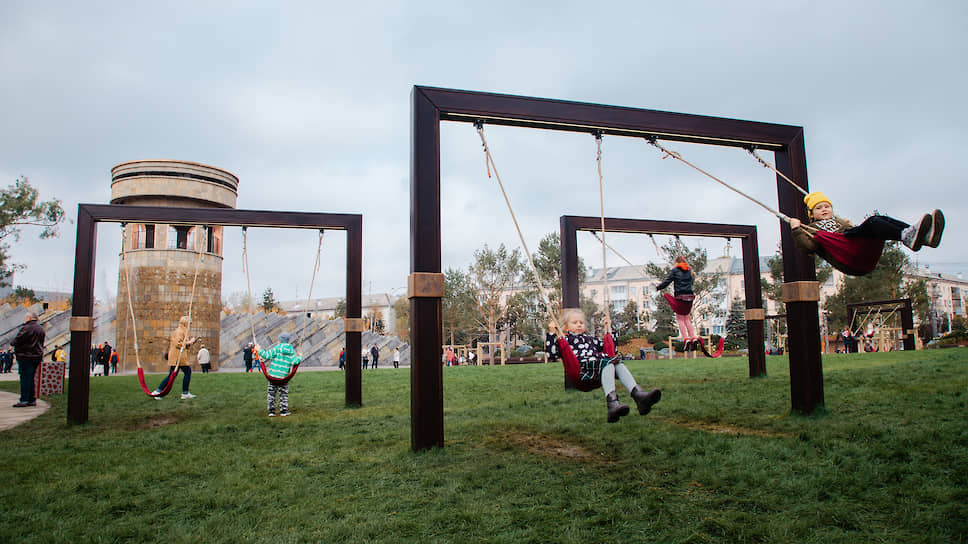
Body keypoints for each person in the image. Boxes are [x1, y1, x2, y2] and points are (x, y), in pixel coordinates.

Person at [545, 309, 660, 423]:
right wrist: (551, 333)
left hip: (599, 368)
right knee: (608, 362)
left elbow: (611, 349)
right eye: (574, 323)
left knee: (617, 363)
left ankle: (639, 396)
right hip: (583, 371)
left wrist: (609, 329)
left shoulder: (590, 340)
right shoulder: (565, 341)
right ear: (566, 327)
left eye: (581, 322)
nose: (579, 325)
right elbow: (551, 354)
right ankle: (612, 404)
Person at [790, 192, 943, 275]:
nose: (824, 210)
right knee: (873, 222)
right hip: (848, 256)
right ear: (811, 214)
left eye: (827, 207)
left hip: (854, 244)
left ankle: (921, 237)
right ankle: (909, 236)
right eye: (818, 208)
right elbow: (808, 247)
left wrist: (849, 225)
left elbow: (853, 232)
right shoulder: (811, 228)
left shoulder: (839, 221)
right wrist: (796, 229)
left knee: (879, 220)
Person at [656, 256, 699, 350]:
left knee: (680, 319)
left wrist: (659, 287)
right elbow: (691, 283)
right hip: (689, 298)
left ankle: (686, 339)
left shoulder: (675, 271)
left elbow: (667, 281)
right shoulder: (689, 271)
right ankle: (693, 338)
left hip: (680, 297)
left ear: (676, 262)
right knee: (687, 319)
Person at [152, 316, 197, 400]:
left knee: (173, 375)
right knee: (183, 373)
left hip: (179, 357)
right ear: (185, 323)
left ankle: (159, 391)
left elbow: (183, 344)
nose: (190, 325)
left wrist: (190, 343)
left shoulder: (182, 331)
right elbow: (178, 344)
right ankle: (159, 392)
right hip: (178, 357)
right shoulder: (180, 331)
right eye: (189, 323)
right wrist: (190, 342)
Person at [257, 332, 301, 417]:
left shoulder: (277, 348)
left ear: (279, 340)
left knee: (271, 393)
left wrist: (259, 350)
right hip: (283, 377)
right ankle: (284, 410)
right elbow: (294, 362)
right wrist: (299, 356)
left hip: (273, 376)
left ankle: (271, 411)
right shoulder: (291, 350)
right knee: (283, 393)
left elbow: (266, 355)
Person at [12, 312, 45, 407]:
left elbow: (18, 340)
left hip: (25, 356)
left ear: (30, 318)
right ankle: (31, 399)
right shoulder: (40, 328)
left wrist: (13, 343)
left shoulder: (27, 328)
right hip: (37, 356)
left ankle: (24, 399)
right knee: (30, 378)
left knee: (25, 378)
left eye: (26, 317)